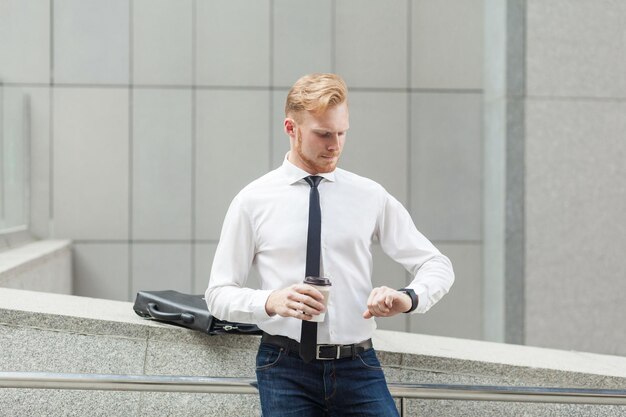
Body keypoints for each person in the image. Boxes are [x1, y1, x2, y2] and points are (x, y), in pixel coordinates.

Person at [205, 73, 454, 417]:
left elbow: (436, 265)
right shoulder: (252, 201)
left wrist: (408, 297)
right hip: (284, 366)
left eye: (342, 133)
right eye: (323, 134)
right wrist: (270, 301)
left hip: (358, 366)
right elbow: (218, 294)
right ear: (291, 128)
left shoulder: (369, 195)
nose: (335, 145)